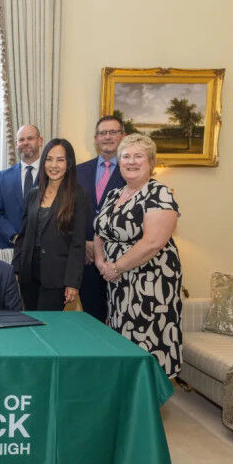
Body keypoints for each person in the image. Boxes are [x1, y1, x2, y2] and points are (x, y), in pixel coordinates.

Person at [94, 134, 182, 378]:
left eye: (138, 156)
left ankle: (149, 403)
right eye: (126, 156)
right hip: (118, 284)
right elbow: (100, 232)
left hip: (151, 284)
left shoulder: (159, 193)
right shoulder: (114, 194)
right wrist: (101, 262)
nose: (131, 162)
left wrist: (115, 267)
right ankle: (128, 394)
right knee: (122, 339)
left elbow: (153, 242)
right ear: (119, 162)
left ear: (151, 162)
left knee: (149, 340)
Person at [12, 139, 89, 311]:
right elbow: (22, 235)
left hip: (57, 276)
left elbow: (78, 244)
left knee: (49, 327)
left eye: (60, 160)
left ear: (68, 164)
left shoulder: (78, 194)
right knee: (31, 322)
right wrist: (16, 268)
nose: (53, 165)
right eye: (49, 159)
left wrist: (73, 282)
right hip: (28, 273)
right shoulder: (33, 194)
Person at [76, 115, 126, 322]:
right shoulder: (78, 171)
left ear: (123, 136)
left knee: (120, 320)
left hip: (120, 259)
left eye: (113, 132)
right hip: (85, 258)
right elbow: (69, 213)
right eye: (102, 133)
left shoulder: (131, 171)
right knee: (92, 320)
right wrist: (84, 243)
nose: (107, 137)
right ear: (95, 139)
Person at [0, 124, 43, 248]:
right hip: (9, 247)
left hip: (43, 250)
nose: (25, 143)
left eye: (30, 138)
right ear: (16, 143)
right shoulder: (3, 177)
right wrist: (13, 236)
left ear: (40, 141)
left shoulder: (51, 175)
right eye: (21, 140)